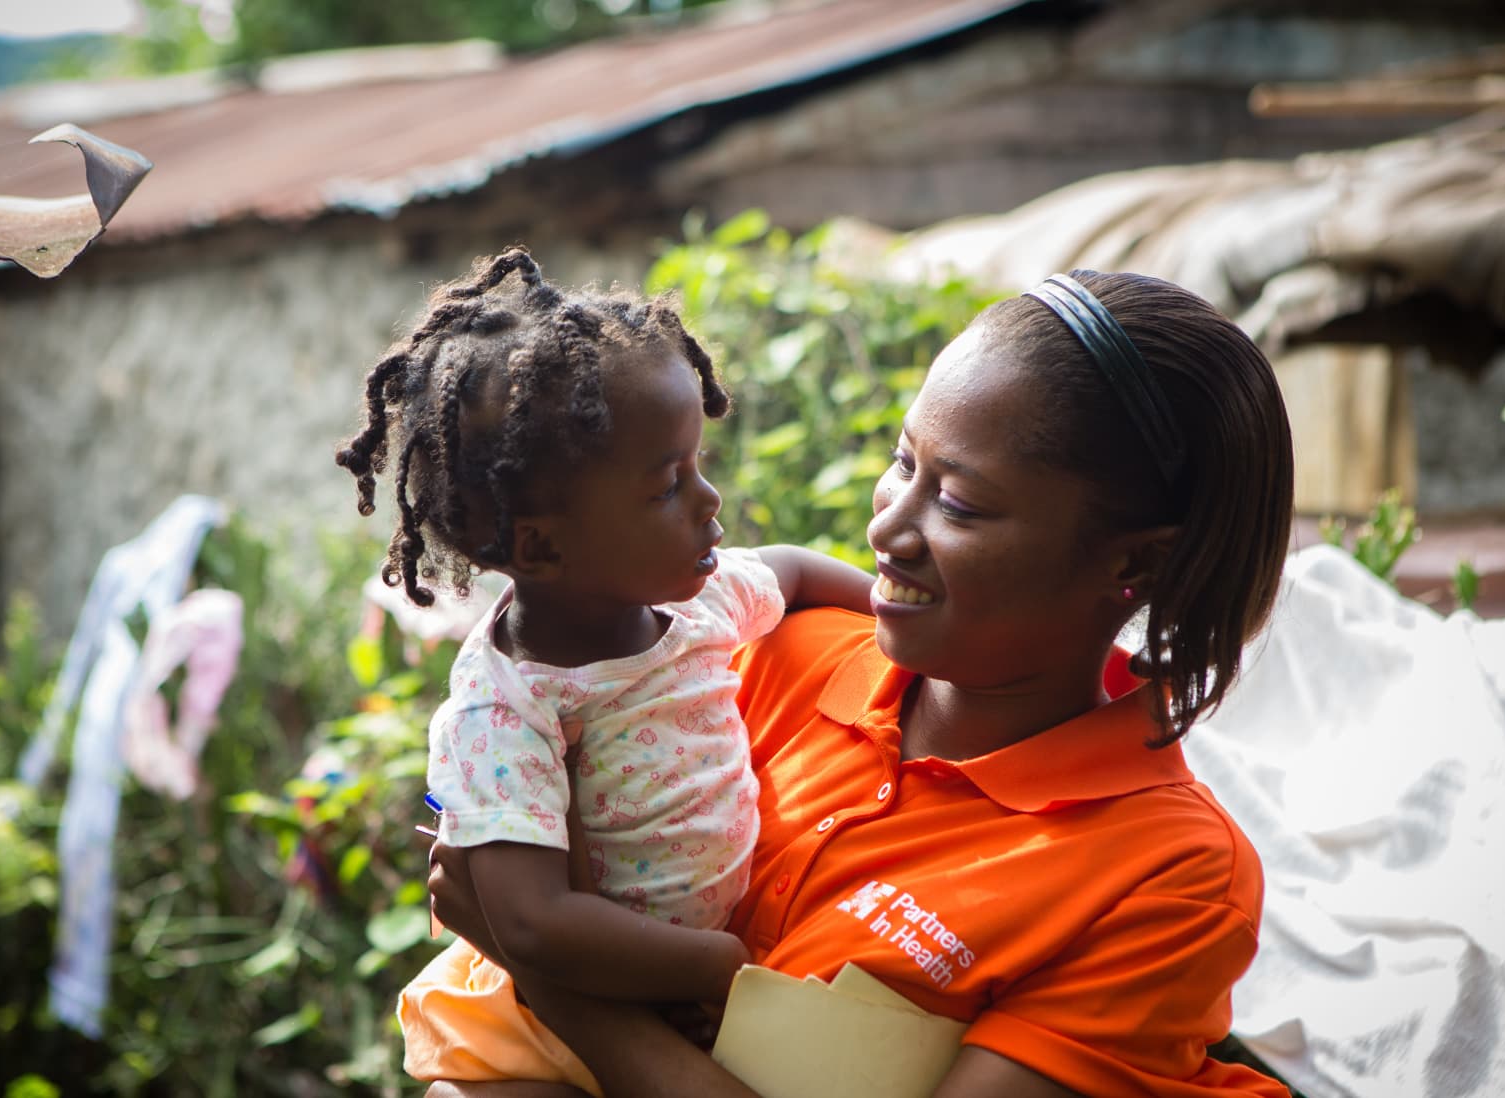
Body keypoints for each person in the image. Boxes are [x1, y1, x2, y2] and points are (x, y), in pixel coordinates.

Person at [425, 270, 1298, 1097]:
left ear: (1135, 561)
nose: (887, 524)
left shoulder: (1166, 880)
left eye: (957, 504)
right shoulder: (757, 665)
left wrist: (550, 978)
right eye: (903, 460)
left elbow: (528, 933)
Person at [333, 248, 873, 1097]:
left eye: (698, 465)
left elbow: (798, 570)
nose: (710, 502)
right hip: (531, 1033)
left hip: (667, 1005)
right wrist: (711, 964)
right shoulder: (508, 709)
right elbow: (530, 924)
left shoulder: (701, 602)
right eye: (667, 487)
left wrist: (893, 606)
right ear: (544, 545)